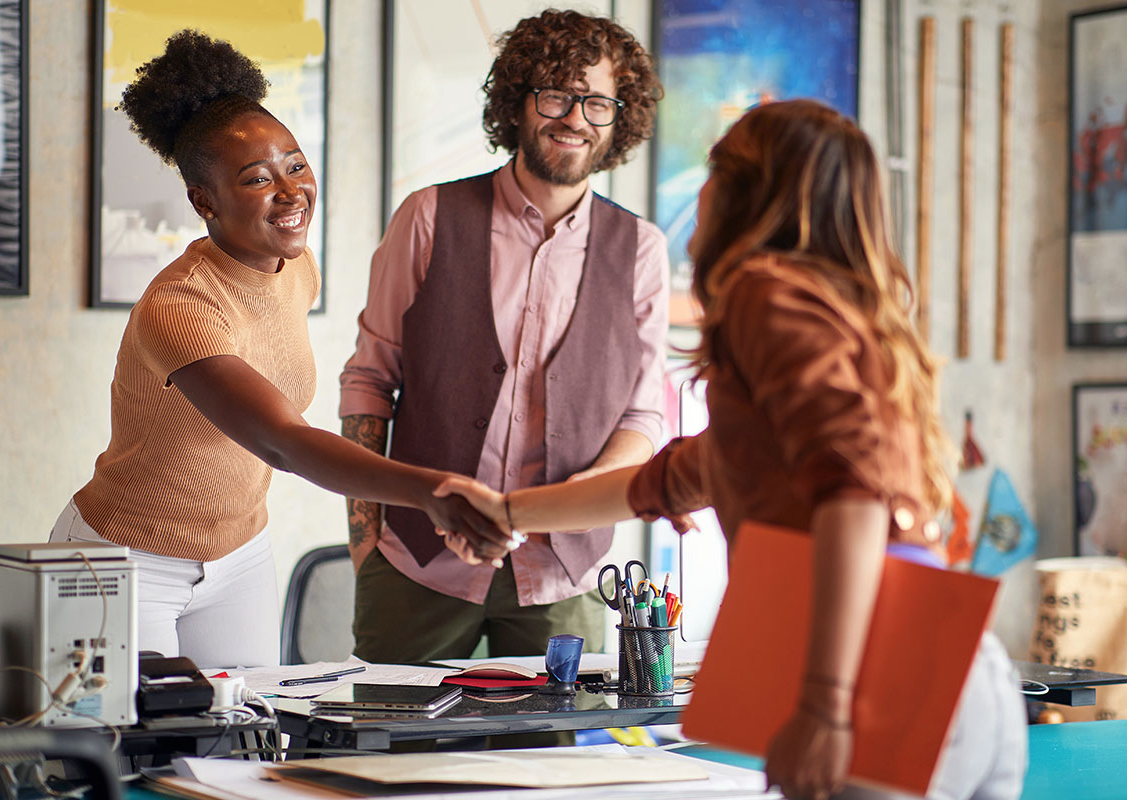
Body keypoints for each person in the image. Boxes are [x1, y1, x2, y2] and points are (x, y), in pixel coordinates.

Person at [436, 99, 1028, 799]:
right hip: (963, 666)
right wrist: (508, 510)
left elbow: (854, 490)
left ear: (753, 192)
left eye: (716, 168)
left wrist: (825, 704)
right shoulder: (844, 327)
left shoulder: (762, 293)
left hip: (877, 666)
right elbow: (662, 482)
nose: (701, 189)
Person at [49, 30, 512, 670]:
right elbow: (282, 440)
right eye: (258, 179)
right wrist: (430, 490)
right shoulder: (178, 307)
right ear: (203, 201)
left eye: (295, 164)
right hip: (124, 562)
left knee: (241, 750)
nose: (291, 192)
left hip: (239, 556)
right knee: (125, 755)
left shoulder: (295, 268)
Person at [339, 9, 668, 665]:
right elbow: (371, 381)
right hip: (416, 566)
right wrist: (364, 535)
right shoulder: (428, 218)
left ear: (617, 118)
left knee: (548, 763)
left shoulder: (641, 251)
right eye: (555, 95)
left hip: (563, 581)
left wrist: (569, 507)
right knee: (393, 759)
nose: (575, 118)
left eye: (597, 102)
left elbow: (644, 415)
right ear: (517, 102)